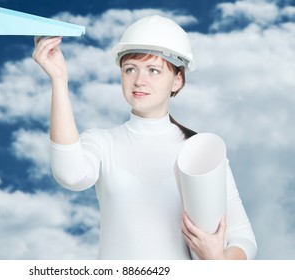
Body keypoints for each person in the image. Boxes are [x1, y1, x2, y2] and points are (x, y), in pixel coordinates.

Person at [33, 15, 257, 260]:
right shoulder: (101, 142)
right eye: (130, 69)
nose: (139, 80)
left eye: (154, 70)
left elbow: (243, 237)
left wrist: (219, 262)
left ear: (177, 80)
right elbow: (70, 174)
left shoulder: (201, 152)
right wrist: (58, 79)